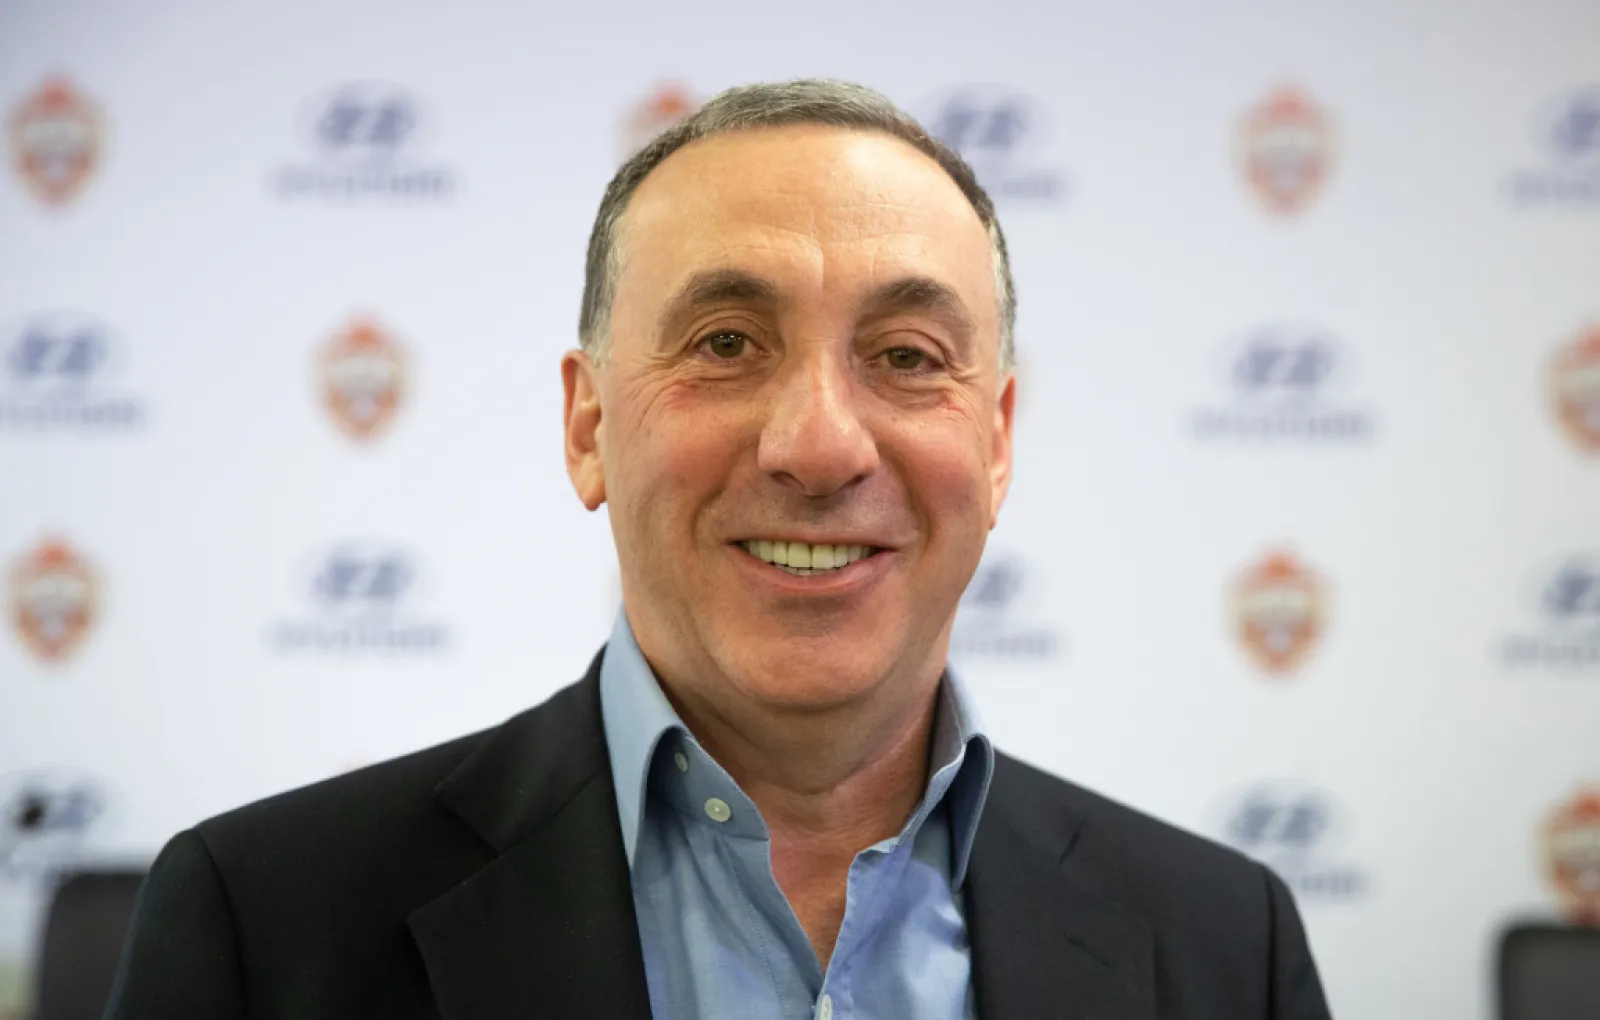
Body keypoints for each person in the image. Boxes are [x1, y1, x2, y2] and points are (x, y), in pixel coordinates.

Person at [106, 79, 1333, 1020]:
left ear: (997, 442)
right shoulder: (265, 925)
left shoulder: (1226, 945)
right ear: (588, 428)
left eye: (906, 357)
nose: (819, 446)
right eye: (727, 344)